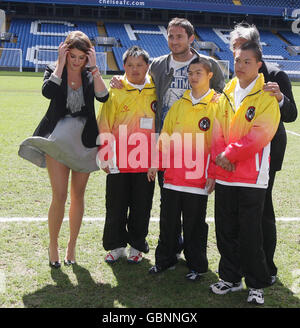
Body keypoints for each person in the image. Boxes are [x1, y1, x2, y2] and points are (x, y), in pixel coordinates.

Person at [111, 17, 225, 257]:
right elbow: (137, 80)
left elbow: (222, 99)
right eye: (171, 36)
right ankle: (171, 249)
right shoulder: (158, 65)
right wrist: (118, 82)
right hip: (165, 143)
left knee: (194, 204)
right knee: (168, 200)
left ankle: (193, 253)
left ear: (191, 38)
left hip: (197, 147)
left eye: (180, 36)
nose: (174, 41)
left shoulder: (208, 64)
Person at [18, 31, 108, 268]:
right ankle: (53, 245)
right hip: (57, 139)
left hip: (85, 141)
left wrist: (95, 68)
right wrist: (60, 64)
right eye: (73, 57)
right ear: (65, 53)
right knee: (59, 195)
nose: (77, 61)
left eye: (81, 57)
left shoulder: (91, 73)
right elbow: (48, 92)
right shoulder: (54, 68)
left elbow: (104, 97)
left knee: (78, 196)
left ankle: (71, 246)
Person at [210, 41, 280, 305]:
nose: (240, 66)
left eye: (246, 61)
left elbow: (260, 134)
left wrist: (229, 155)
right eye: (237, 60)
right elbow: (216, 129)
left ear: (258, 65)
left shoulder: (267, 95)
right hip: (225, 174)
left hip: (252, 177)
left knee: (251, 233)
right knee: (226, 229)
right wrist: (222, 156)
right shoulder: (226, 91)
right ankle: (230, 278)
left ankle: (256, 284)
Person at [229, 23, 298, 284]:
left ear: (256, 49)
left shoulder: (275, 74)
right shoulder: (234, 78)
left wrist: (280, 99)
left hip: (266, 156)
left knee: (261, 211)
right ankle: (241, 263)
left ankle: (266, 265)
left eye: (244, 44)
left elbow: (291, 115)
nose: (239, 51)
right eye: (235, 47)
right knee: (239, 211)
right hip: (238, 154)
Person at [147, 57, 217, 280]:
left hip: (198, 178)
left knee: (194, 224)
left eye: (198, 73)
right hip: (173, 177)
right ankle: (165, 260)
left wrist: (213, 173)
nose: (193, 77)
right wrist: (156, 162)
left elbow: (218, 142)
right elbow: (165, 136)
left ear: (209, 76)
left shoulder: (217, 105)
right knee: (168, 221)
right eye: (190, 73)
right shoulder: (179, 104)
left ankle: (196, 265)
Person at [97, 45, 156, 264]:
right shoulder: (116, 90)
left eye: (139, 65)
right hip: (118, 161)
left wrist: (156, 159)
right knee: (115, 206)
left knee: (142, 207)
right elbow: (104, 123)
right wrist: (104, 153)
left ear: (147, 66)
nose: (135, 69)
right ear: (123, 67)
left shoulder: (155, 89)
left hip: (145, 162)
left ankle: (137, 246)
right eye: (130, 65)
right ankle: (116, 245)